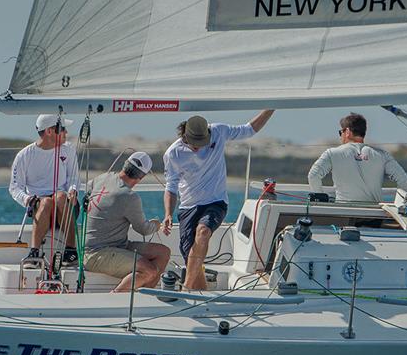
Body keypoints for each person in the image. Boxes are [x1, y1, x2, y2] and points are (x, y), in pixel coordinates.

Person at [163, 110, 275, 290]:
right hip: (188, 206)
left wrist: (271, 107)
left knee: (203, 232)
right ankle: (200, 293)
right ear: (184, 136)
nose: (199, 148)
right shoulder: (173, 153)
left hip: (216, 201)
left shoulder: (218, 131)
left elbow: (249, 129)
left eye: (202, 143)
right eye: (194, 144)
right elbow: (171, 187)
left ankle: (186, 288)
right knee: (192, 259)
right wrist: (168, 214)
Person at [83, 152, 171, 292]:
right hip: (96, 254)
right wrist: (157, 223)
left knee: (163, 252)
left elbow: (88, 189)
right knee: (149, 271)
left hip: (116, 246)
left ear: (125, 165)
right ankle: (114, 298)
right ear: (140, 177)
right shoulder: (128, 196)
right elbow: (144, 229)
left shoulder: (103, 178)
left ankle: (144, 297)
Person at [9, 114, 80, 265]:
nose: (66, 133)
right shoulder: (24, 156)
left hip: (65, 204)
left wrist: (73, 190)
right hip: (40, 206)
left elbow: (73, 178)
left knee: (60, 196)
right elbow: (15, 188)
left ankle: (71, 251)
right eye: (63, 129)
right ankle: (34, 253)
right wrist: (27, 199)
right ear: (49, 131)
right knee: (46, 202)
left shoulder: (69, 150)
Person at [308, 113, 407, 202]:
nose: (340, 136)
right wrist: (399, 205)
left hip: (344, 214)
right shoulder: (382, 154)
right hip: (374, 215)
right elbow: (404, 180)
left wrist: (320, 199)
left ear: (347, 132)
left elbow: (313, 176)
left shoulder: (332, 153)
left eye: (341, 132)